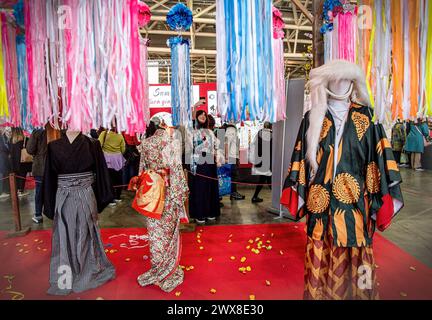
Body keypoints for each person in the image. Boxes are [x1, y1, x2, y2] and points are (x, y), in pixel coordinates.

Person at [281, 60, 403, 300]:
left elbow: (380, 159)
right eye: (335, 79)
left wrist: (380, 199)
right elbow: (300, 159)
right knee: (319, 257)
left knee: (360, 262)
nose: (340, 84)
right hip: (321, 206)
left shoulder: (367, 117)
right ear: (327, 82)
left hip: (356, 206)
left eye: (345, 79)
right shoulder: (312, 117)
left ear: (353, 82)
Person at [43, 129, 115, 295]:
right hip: (64, 195)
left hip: (85, 194)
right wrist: (49, 203)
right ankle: (69, 275)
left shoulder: (92, 144)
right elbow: (49, 177)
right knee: (64, 233)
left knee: (86, 233)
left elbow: (101, 171)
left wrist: (101, 196)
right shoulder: (53, 146)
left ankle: (86, 270)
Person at [133, 122, 188, 292]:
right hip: (169, 191)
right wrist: (181, 193)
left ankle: (158, 267)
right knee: (169, 230)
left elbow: (141, 170)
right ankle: (168, 270)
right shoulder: (171, 142)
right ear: (164, 128)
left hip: (152, 191)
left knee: (155, 231)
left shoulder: (146, 143)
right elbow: (177, 169)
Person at [188, 110, 221, 224]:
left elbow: (216, 145)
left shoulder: (210, 132)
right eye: (200, 115)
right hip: (198, 161)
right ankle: (199, 213)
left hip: (210, 160)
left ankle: (211, 212)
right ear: (196, 117)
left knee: (210, 186)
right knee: (200, 188)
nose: (203, 116)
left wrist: (217, 155)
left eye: (204, 115)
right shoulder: (192, 131)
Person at [26, 123, 50, 224]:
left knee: (39, 192)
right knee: (55, 190)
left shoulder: (37, 132)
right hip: (54, 166)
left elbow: (30, 149)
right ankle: (56, 212)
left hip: (40, 166)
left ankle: (38, 214)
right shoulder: (56, 131)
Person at [98, 127, 126, 205]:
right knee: (118, 177)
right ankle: (117, 197)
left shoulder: (104, 134)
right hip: (117, 159)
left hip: (106, 158)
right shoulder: (120, 135)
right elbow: (123, 149)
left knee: (108, 178)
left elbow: (98, 145)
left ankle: (110, 199)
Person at [250, 122, 272, 203]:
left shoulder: (258, 134)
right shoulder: (271, 134)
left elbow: (254, 146)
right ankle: (278, 199)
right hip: (267, 161)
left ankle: (255, 197)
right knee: (268, 179)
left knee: (263, 179)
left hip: (260, 161)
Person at [223, 123, 245, 200]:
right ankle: (233, 193)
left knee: (233, 176)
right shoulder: (231, 129)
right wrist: (226, 157)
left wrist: (237, 158)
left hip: (233, 157)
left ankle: (233, 193)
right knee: (233, 176)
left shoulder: (232, 129)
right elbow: (226, 144)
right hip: (231, 157)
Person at [10, 128, 32, 197]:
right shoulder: (25, 139)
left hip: (14, 161)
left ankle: (17, 190)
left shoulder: (11, 140)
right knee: (22, 175)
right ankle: (21, 191)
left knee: (17, 176)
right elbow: (30, 149)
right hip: (22, 161)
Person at [0, 127, 10, 200]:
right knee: (3, 174)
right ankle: (3, 191)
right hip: (2, 157)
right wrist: (8, 149)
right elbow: (3, 147)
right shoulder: (1, 137)